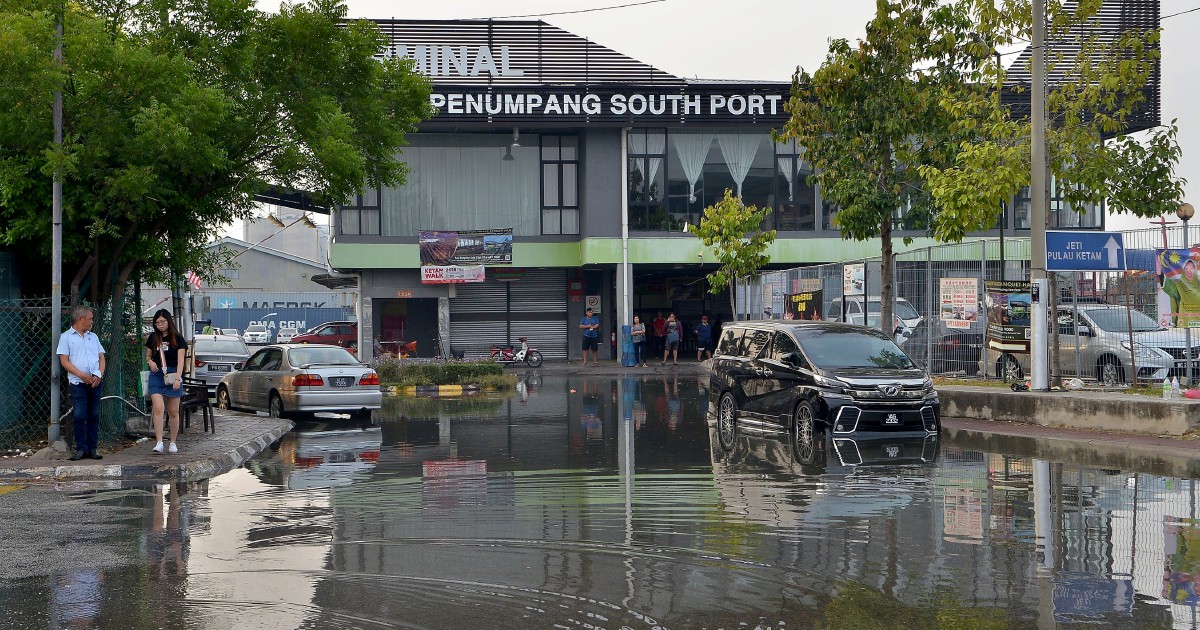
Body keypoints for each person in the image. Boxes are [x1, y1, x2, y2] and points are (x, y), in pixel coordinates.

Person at [57, 305, 106, 461]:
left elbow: (101, 357)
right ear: (80, 319)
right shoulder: (66, 337)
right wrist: (82, 375)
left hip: (94, 381)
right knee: (79, 415)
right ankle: (80, 448)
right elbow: (64, 361)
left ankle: (92, 448)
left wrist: (98, 375)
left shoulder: (94, 337)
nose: (91, 322)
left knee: (94, 414)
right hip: (78, 382)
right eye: (90, 319)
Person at [145, 309, 188, 454]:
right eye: (157, 322)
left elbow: (181, 360)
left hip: (173, 373)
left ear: (168, 321)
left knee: (173, 411)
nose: (160, 325)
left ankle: (173, 442)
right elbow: (148, 356)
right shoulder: (153, 337)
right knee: (158, 408)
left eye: (162, 321)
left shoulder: (177, 338)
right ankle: (159, 442)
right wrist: (150, 362)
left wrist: (178, 378)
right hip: (157, 374)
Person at [1163, 258, 1200, 328]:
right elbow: (1169, 287)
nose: (1189, 271)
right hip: (1184, 324)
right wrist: (1161, 271)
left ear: (1195, 270)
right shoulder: (1179, 284)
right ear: (1183, 270)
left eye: (1192, 268)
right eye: (1186, 268)